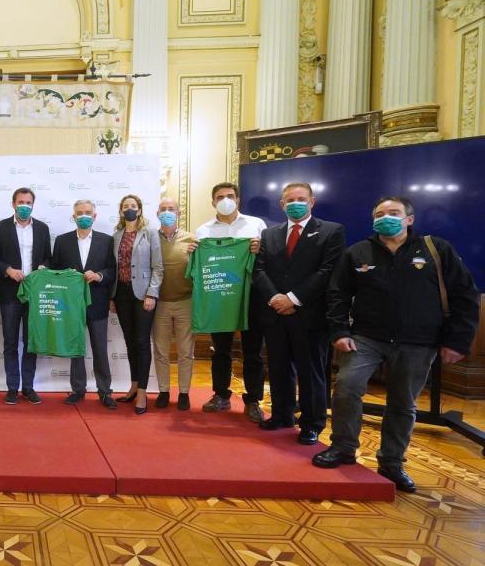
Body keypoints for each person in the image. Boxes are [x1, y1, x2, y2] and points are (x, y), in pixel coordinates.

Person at [314, 197, 479, 492]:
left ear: (409, 219)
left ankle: (392, 462)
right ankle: (343, 447)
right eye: (380, 214)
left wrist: (457, 341)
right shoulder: (358, 252)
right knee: (347, 388)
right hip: (365, 338)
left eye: (394, 213)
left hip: (418, 341)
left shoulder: (435, 249)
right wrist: (339, 332)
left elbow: (464, 295)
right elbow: (337, 294)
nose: (386, 218)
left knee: (403, 403)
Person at [253, 183, 345, 445]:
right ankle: (282, 414)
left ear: (312, 202)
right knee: (279, 368)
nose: (295, 203)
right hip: (275, 313)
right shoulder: (269, 234)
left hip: (309, 315)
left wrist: (293, 298)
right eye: (289, 200)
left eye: (301, 199)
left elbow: (327, 272)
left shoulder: (331, 231)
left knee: (311, 371)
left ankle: (312, 423)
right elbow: (259, 271)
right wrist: (275, 298)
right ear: (282, 204)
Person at [192, 182, 267, 423]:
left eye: (230, 196)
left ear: (238, 200)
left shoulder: (256, 225)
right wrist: (193, 250)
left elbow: (269, 261)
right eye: (220, 197)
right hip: (219, 297)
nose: (226, 199)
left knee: (253, 351)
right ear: (213, 202)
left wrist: (260, 249)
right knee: (220, 350)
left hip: (251, 296)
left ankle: (253, 400)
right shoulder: (203, 231)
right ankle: (221, 394)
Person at [50, 200, 118, 409]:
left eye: (88, 212)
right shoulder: (62, 241)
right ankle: (78, 389)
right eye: (79, 213)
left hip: (98, 302)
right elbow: (55, 270)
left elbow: (112, 270)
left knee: (99, 348)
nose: (84, 216)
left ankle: (105, 391)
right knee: (75, 348)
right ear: (73, 216)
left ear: (95, 216)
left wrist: (98, 275)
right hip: (71, 305)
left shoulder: (107, 241)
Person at [0, 187, 52, 405]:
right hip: (9, 292)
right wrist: (8, 270)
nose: (24, 205)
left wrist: (44, 267)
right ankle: (12, 387)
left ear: (33, 204)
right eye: (20, 202)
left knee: (30, 342)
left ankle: (28, 386)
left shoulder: (43, 228)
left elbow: (48, 257)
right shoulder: (1, 227)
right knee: (9, 342)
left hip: (35, 294)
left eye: (28, 202)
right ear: (13, 204)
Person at [111, 194, 163, 414]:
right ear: (121, 211)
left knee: (142, 342)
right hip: (121, 294)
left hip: (143, 295)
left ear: (140, 210)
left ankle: (143, 391)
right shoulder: (116, 236)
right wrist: (112, 297)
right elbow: (113, 267)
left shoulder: (150, 233)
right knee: (130, 341)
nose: (129, 209)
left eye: (133, 206)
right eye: (125, 207)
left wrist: (152, 294)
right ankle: (133, 385)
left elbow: (158, 267)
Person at [152, 198, 197, 411]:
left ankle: (184, 393)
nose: (167, 212)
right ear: (156, 213)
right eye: (163, 209)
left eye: (171, 209)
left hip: (185, 302)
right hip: (159, 303)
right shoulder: (150, 238)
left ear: (179, 212)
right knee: (160, 351)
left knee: (185, 352)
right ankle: (163, 391)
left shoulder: (192, 239)